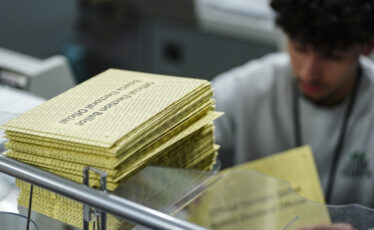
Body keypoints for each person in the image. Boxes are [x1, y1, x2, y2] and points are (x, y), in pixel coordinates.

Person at [213, 0, 374, 208]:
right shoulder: (244, 90)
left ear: (368, 46)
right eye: (299, 48)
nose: (308, 73)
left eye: (332, 57)